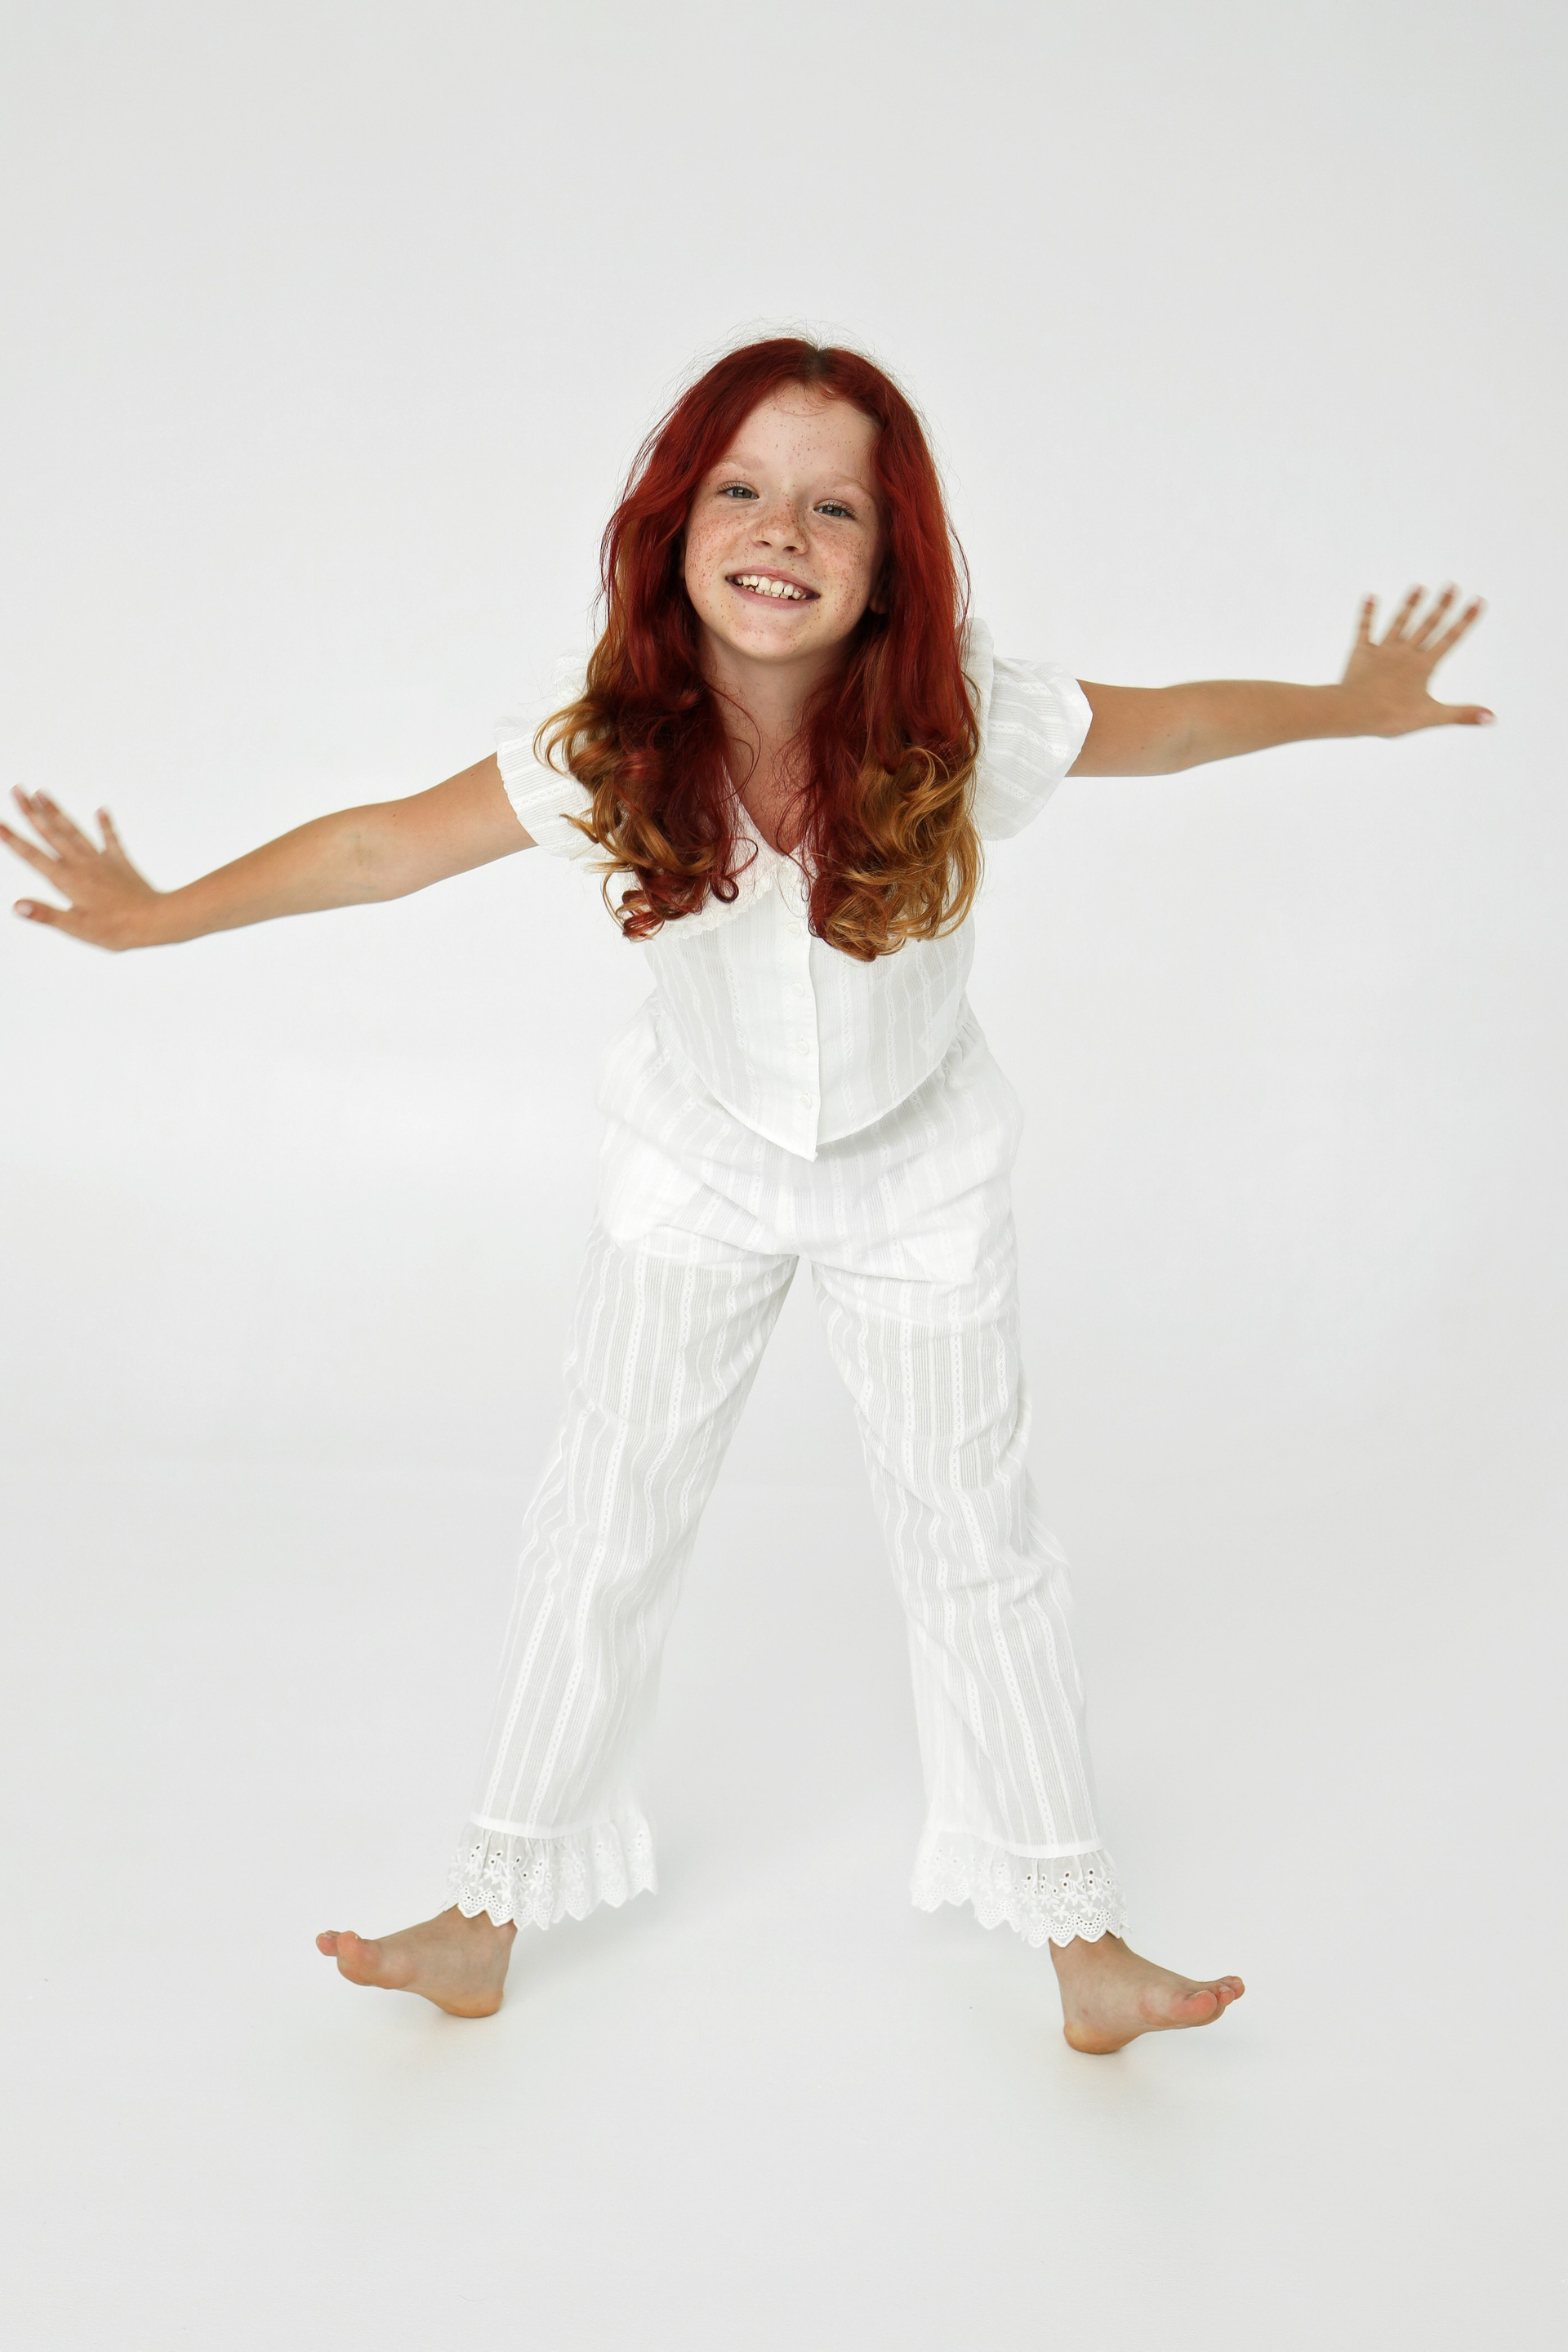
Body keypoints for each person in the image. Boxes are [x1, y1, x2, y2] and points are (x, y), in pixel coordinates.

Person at [2, 337, 1490, 2054]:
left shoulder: (963, 720)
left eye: (834, 507)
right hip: (696, 1166)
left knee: (977, 1541)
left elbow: (1174, 728)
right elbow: (378, 848)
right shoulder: (604, 750)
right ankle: (486, 1913)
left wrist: (1353, 701)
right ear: (676, 527)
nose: (783, 528)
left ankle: (1079, 1941)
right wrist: (160, 913)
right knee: (606, 1520)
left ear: (889, 567)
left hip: (918, 1171)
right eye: (743, 489)